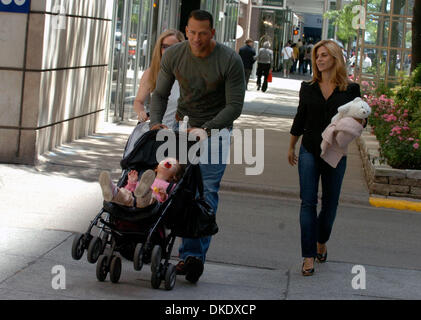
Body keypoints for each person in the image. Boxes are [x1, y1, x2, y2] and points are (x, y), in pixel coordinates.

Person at [149, 9, 245, 283]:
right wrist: (156, 122)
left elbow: (234, 106)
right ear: (186, 30)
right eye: (191, 32)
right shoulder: (174, 55)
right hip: (183, 125)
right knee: (168, 182)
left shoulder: (229, 60)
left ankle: (192, 256)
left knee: (206, 191)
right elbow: (161, 93)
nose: (196, 38)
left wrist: (207, 130)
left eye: (203, 33)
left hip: (216, 131)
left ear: (212, 33)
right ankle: (155, 240)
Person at [287, 40, 362, 276]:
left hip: (335, 153)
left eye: (324, 55)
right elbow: (301, 117)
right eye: (317, 56)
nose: (319, 59)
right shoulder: (307, 87)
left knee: (330, 204)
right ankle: (308, 256)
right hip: (309, 148)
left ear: (335, 58)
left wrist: (357, 122)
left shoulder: (350, 90)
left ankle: (321, 241)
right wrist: (292, 146)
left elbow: (361, 118)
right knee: (308, 202)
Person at [133, 29, 185, 129]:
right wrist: (141, 113)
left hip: (184, 131)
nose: (168, 51)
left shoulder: (190, 73)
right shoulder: (151, 72)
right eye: (164, 46)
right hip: (158, 129)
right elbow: (138, 101)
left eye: (173, 47)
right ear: (159, 49)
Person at [98, 158, 184, 208]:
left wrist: (164, 197)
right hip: (133, 201)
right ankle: (113, 191)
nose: (166, 164)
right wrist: (132, 182)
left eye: (169, 164)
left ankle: (116, 192)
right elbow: (130, 190)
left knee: (148, 196)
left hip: (150, 207)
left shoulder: (171, 186)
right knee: (125, 194)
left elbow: (170, 203)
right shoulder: (144, 180)